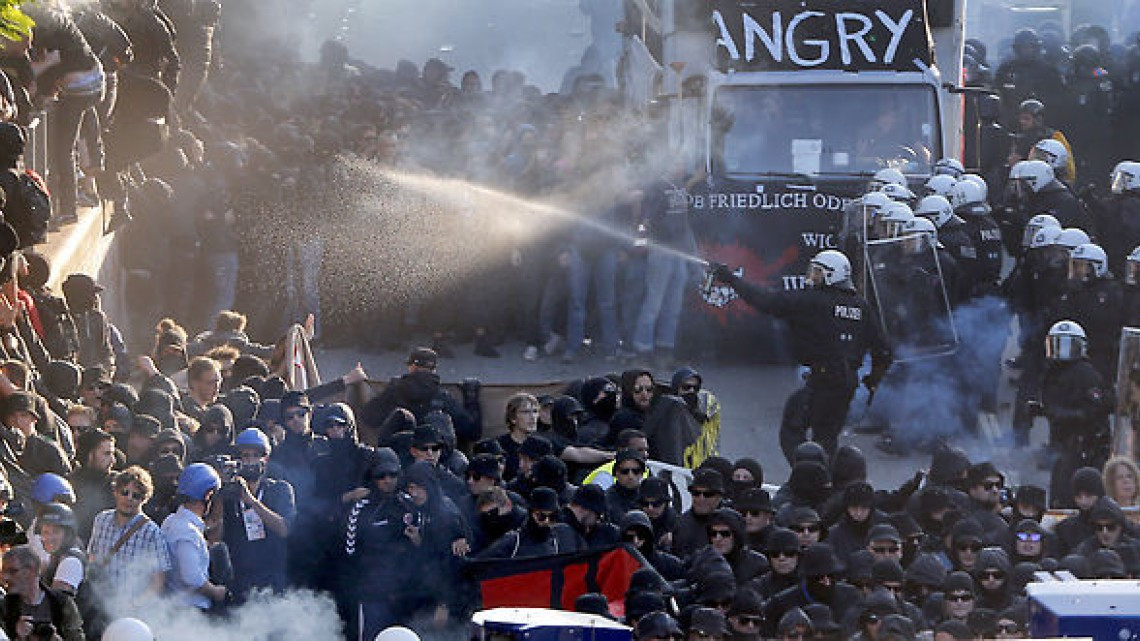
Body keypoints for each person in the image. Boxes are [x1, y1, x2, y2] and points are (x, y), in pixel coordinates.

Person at [712, 250, 891, 458]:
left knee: (793, 428)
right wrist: (872, 381)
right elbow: (883, 351)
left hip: (823, 379)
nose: (812, 277)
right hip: (847, 384)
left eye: (818, 272)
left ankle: (807, 476)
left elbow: (766, 301)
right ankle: (825, 481)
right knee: (827, 436)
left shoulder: (813, 302)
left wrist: (732, 279)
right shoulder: (862, 307)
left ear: (832, 275)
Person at [1034, 321, 1112, 507]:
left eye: (1069, 345)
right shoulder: (1053, 372)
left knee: (1073, 495)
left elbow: (1099, 407)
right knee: (1059, 494)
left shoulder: (1086, 374)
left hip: (1085, 449)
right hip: (1063, 446)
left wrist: (1069, 415)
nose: (1063, 351)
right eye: (1058, 344)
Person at [221, 428, 294, 599]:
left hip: (272, 582)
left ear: (266, 459)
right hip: (238, 583)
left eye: (256, 455)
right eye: (245, 456)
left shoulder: (279, 489)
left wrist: (252, 501)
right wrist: (221, 492)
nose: (250, 461)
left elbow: (284, 529)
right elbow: (216, 537)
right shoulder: (229, 495)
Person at [87, 466, 170, 606]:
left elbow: (158, 581)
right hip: (98, 604)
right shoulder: (101, 520)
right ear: (116, 492)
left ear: (144, 499)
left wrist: (136, 604)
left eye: (136, 495)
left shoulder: (152, 532)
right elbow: (92, 559)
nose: (129, 499)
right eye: (125, 492)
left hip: (131, 607)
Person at [161, 463, 228, 611]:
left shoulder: (170, 521)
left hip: (174, 606)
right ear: (208, 495)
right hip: (192, 610)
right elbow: (191, 578)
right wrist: (217, 592)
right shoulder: (187, 531)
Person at [0, 545, 85, 641]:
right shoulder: (4, 607)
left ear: (31, 571)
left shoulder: (62, 603)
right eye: (3, 572)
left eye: (12, 571)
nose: (4, 577)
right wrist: (18, 637)